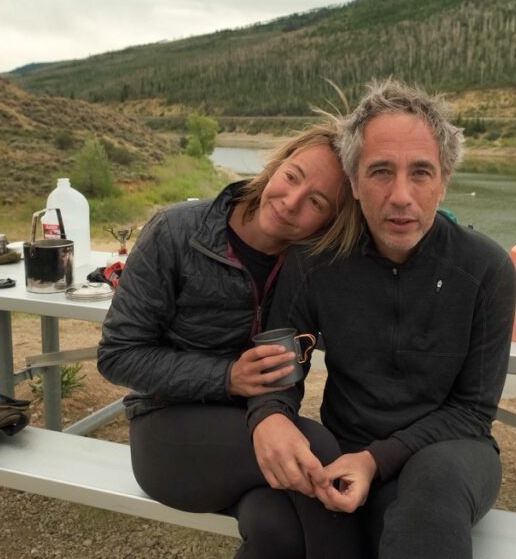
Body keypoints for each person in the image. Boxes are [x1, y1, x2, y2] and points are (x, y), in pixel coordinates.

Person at [247, 80, 516, 558]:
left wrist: (376, 460)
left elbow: (473, 411)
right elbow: (280, 371)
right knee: (277, 531)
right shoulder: (315, 263)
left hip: (454, 448)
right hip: (344, 447)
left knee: (427, 501)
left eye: (420, 173)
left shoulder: (486, 269)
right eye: (380, 172)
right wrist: (270, 416)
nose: (400, 196)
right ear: (353, 182)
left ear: (445, 179)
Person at [97, 121, 364, 559]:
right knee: (317, 450)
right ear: (277, 164)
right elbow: (117, 355)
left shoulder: (313, 266)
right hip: (166, 432)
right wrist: (226, 377)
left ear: (332, 220)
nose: (291, 202)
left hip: (256, 433)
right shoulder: (177, 232)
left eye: (316, 202)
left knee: (276, 526)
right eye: (292, 177)